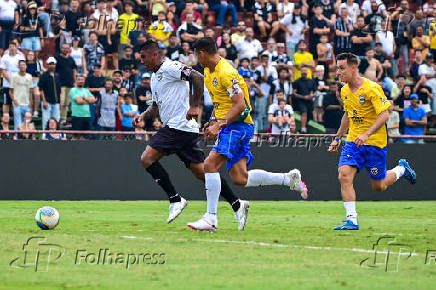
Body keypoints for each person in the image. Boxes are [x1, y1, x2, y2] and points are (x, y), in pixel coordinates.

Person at [187, 37, 308, 232]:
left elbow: (240, 104)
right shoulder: (209, 72)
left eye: (195, 55)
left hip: (238, 126)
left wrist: (219, 125)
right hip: (231, 125)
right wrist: (212, 119)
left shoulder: (226, 72)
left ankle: (211, 218)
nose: (195, 59)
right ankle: (288, 179)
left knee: (209, 165)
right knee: (240, 178)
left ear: (201, 53)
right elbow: (221, 102)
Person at [135, 40, 249, 229]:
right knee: (204, 172)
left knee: (147, 158)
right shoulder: (155, 78)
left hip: (179, 126)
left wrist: (195, 105)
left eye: (144, 57)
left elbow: (196, 77)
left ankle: (175, 199)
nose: (142, 61)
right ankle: (237, 204)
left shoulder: (171, 66)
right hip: (181, 128)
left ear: (155, 55)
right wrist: (143, 115)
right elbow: (155, 106)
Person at [328, 53, 417, 230]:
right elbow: (347, 115)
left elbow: (385, 113)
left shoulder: (372, 88)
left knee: (379, 186)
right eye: (337, 68)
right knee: (344, 174)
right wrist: (337, 138)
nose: (338, 72)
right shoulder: (344, 90)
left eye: (341, 68)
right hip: (354, 141)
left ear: (354, 68)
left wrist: (367, 134)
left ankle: (401, 169)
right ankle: (352, 220)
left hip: (374, 142)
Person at [0, 41, 25, 115]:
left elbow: (23, 69)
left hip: (18, 84)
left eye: (13, 46)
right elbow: (3, 71)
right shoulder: (5, 57)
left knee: (17, 102)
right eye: (10, 47)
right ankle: (5, 118)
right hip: (7, 84)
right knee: (6, 102)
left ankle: (16, 119)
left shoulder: (20, 57)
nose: (11, 48)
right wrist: (11, 81)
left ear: (16, 48)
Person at [56, 43, 77, 126]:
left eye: (67, 48)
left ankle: (63, 119)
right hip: (60, 84)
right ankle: (57, 119)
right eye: (63, 48)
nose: (65, 49)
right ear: (61, 49)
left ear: (69, 49)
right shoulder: (56, 58)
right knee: (60, 102)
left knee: (66, 103)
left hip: (70, 84)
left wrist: (75, 81)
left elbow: (74, 70)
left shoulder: (71, 59)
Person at [70, 75, 96, 139]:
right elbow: (79, 101)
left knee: (84, 137)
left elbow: (93, 100)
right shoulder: (73, 90)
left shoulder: (86, 90)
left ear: (84, 81)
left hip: (87, 116)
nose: (80, 81)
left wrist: (83, 98)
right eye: (79, 79)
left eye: (82, 79)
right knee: (75, 137)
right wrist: (88, 100)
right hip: (77, 116)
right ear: (76, 81)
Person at [38, 57, 61, 130]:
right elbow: (41, 89)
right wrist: (44, 101)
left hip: (56, 102)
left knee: (56, 120)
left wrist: (60, 102)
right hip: (47, 101)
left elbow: (59, 90)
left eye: (53, 64)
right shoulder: (44, 75)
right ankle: (45, 135)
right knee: (46, 120)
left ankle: (57, 136)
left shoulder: (57, 75)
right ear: (47, 65)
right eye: (50, 64)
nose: (52, 65)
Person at [9, 60, 33, 131]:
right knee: (18, 125)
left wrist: (31, 104)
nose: (22, 66)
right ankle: (17, 138)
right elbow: (10, 91)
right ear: (18, 67)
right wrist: (14, 100)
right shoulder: (14, 76)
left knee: (27, 125)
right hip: (17, 105)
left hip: (27, 104)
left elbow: (30, 92)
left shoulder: (29, 76)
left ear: (26, 66)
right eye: (21, 65)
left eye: (23, 65)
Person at [292, 66, 317, 133]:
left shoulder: (311, 81)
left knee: (309, 114)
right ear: (300, 72)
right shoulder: (297, 81)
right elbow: (294, 93)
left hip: (309, 101)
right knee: (304, 112)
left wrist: (311, 95)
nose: (304, 72)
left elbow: (315, 92)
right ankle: (303, 129)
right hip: (300, 101)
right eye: (302, 70)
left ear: (308, 71)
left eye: (305, 70)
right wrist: (303, 97)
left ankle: (305, 127)